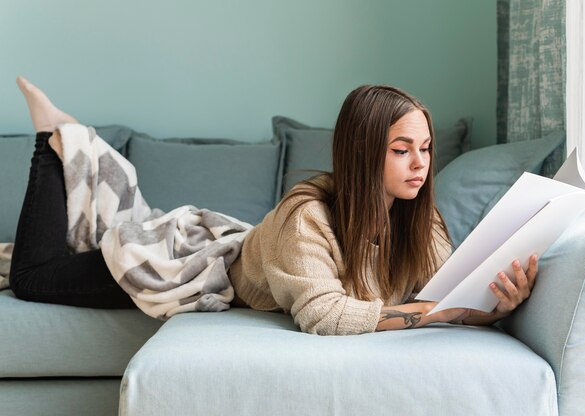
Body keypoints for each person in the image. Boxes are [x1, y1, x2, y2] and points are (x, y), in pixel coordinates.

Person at [9, 77, 538, 335]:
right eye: (401, 150)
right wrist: (433, 314)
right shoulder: (306, 216)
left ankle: (81, 149)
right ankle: (54, 141)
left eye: (425, 149)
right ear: (360, 153)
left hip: (238, 246)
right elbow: (323, 315)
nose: (419, 164)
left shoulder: (419, 219)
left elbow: (444, 289)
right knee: (32, 277)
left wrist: (493, 306)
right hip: (188, 268)